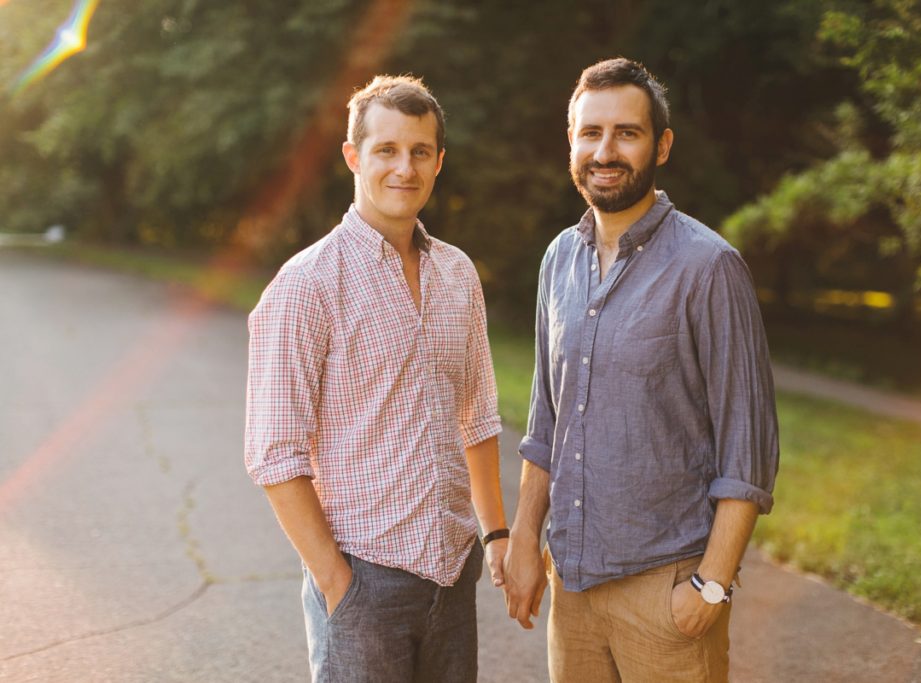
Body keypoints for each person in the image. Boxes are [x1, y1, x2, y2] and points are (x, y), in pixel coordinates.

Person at [502, 58, 780, 683]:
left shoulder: (709, 267)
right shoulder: (559, 260)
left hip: (667, 593)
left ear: (662, 145)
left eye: (626, 132)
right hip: (570, 588)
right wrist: (525, 540)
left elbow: (749, 446)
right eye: (590, 133)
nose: (606, 150)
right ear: (570, 142)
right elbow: (546, 419)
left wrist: (710, 587)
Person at [244, 75, 508, 683]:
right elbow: (274, 455)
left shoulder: (458, 274)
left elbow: (479, 413)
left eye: (419, 151)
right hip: (363, 583)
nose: (403, 168)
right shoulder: (306, 285)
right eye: (386, 149)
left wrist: (494, 534)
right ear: (353, 156)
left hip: (452, 577)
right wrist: (337, 583)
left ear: (439, 162)